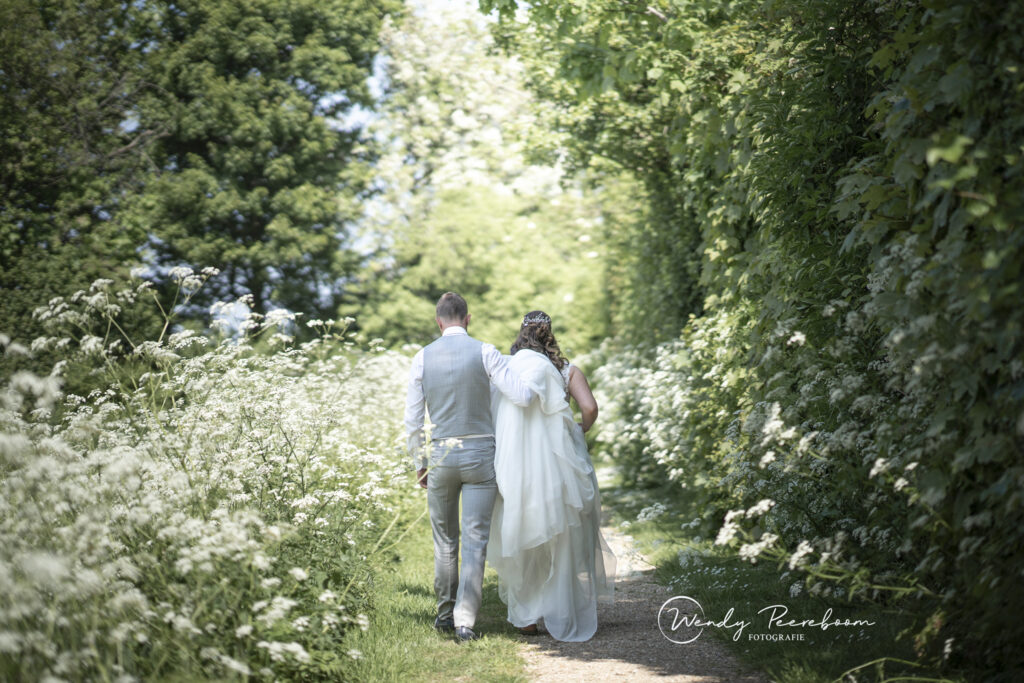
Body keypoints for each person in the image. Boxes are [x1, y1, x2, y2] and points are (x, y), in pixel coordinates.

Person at [404, 292, 535, 642]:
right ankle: (466, 622)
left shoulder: (421, 358)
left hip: (442, 457)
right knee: (476, 541)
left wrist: (420, 462)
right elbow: (522, 396)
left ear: (438, 320)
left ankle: (444, 615)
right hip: (481, 456)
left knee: (445, 539)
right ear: (468, 318)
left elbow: (413, 421)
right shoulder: (486, 351)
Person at [487, 310, 615, 641]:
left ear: (521, 334)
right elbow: (589, 408)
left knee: (525, 529)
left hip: (515, 463)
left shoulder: (507, 368)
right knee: (561, 536)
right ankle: (561, 609)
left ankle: (526, 617)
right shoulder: (565, 370)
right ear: (550, 336)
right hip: (556, 465)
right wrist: (577, 432)